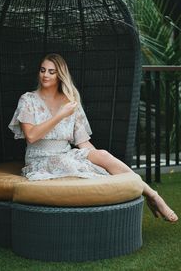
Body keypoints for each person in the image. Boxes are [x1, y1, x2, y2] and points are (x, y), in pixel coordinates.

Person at [9, 53, 178, 223]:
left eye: (51, 72)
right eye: (43, 70)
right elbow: (31, 136)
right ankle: (146, 194)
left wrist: (97, 158)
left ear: (60, 75)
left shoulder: (70, 102)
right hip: (40, 158)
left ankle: (152, 194)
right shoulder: (28, 99)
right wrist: (60, 115)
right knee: (71, 164)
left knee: (102, 155)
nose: (45, 75)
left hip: (65, 153)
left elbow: (82, 142)